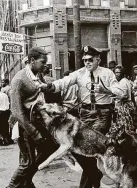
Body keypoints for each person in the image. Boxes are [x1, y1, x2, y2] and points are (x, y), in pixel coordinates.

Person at [41, 45, 127, 188]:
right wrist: (49, 86)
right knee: (82, 153)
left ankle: (87, 184)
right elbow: (64, 82)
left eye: (90, 59)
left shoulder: (107, 73)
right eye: (85, 60)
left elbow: (121, 92)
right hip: (85, 115)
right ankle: (95, 179)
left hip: (102, 115)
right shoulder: (80, 73)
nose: (87, 63)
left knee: (94, 148)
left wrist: (106, 90)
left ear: (98, 59)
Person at [7, 47, 58, 188]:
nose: (45, 65)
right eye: (43, 62)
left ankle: (26, 182)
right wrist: (34, 132)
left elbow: (41, 95)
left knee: (50, 147)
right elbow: (17, 111)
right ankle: (14, 186)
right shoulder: (19, 79)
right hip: (25, 127)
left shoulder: (38, 75)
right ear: (32, 60)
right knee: (27, 162)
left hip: (39, 123)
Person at [114, 65, 135, 132]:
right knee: (128, 124)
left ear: (122, 73)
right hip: (128, 104)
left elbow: (124, 95)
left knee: (124, 125)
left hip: (124, 106)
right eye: (115, 72)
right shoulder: (127, 81)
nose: (116, 74)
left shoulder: (122, 82)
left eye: (118, 72)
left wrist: (115, 97)